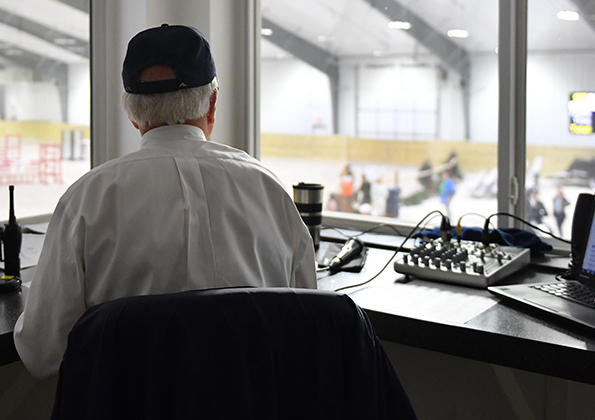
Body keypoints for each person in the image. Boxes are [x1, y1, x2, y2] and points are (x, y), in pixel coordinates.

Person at [14, 24, 317, 380]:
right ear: (213, 104)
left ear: (132, 112)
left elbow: (43, 355)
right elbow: (307, 324)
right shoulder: (270, 190)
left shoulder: (87, 199)